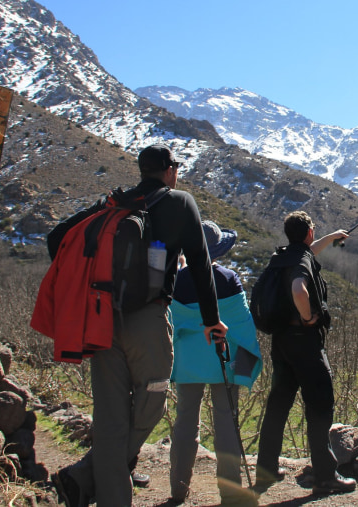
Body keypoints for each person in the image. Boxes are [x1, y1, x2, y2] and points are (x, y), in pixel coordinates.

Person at [51, 144, 228, 507]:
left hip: (101, 320)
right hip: (148, 318)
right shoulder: (180, 203)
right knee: (153, 402)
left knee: (110, 418)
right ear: (169, 170)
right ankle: (83, 474)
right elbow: (199, 264)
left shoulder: (115, 203)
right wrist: (212, 321)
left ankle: (92, 486)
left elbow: (57, 239)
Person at [251, 211, 356, 496]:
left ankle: (266, 469)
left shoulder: (283, 256)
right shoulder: (301, 260)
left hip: (282, 342)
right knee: (320, 405)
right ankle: (325, 476)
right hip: (305, 342)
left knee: (278, 405)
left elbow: (307, 252)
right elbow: (299, 287)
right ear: (308, 231)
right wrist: (308, 315)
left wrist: (332, 237)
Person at [169, 222, 263, 506]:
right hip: (223, 360)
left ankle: (178, 490)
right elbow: (242, 325)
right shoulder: (227, 278)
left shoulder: (175, 280)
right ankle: (231, 491)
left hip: (187, 362)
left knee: (185, 421)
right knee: (226, 422)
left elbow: (172, 320)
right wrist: (246, 361)